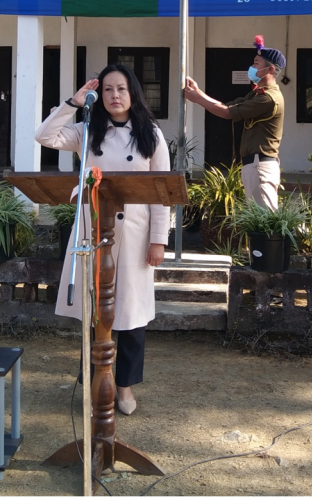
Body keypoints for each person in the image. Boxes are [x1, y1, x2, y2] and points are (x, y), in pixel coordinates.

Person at [36, 64, 170, 416]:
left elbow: (162, 192)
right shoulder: (86, 130)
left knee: (131, 314)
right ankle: (96, 382)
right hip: (94, 232)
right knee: (95, 312)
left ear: (133, 93)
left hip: (135, 235)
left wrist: (159, 239)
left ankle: (123, 387)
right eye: (107, 89)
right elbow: (44, 136)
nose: (114, 96)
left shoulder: (151, 135)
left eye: (121, 89)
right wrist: (73, 103)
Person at [184, 35, 285, 209]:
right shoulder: (257, 94)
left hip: (261, 164)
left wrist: (197, 99)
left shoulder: (268, 98)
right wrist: (198, 92)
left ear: (270, 69)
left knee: (264, 223)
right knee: (256, 221)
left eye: (256, 63)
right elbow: (225, 106)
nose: (252, 67)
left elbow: (226, 113)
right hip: (253, 164)